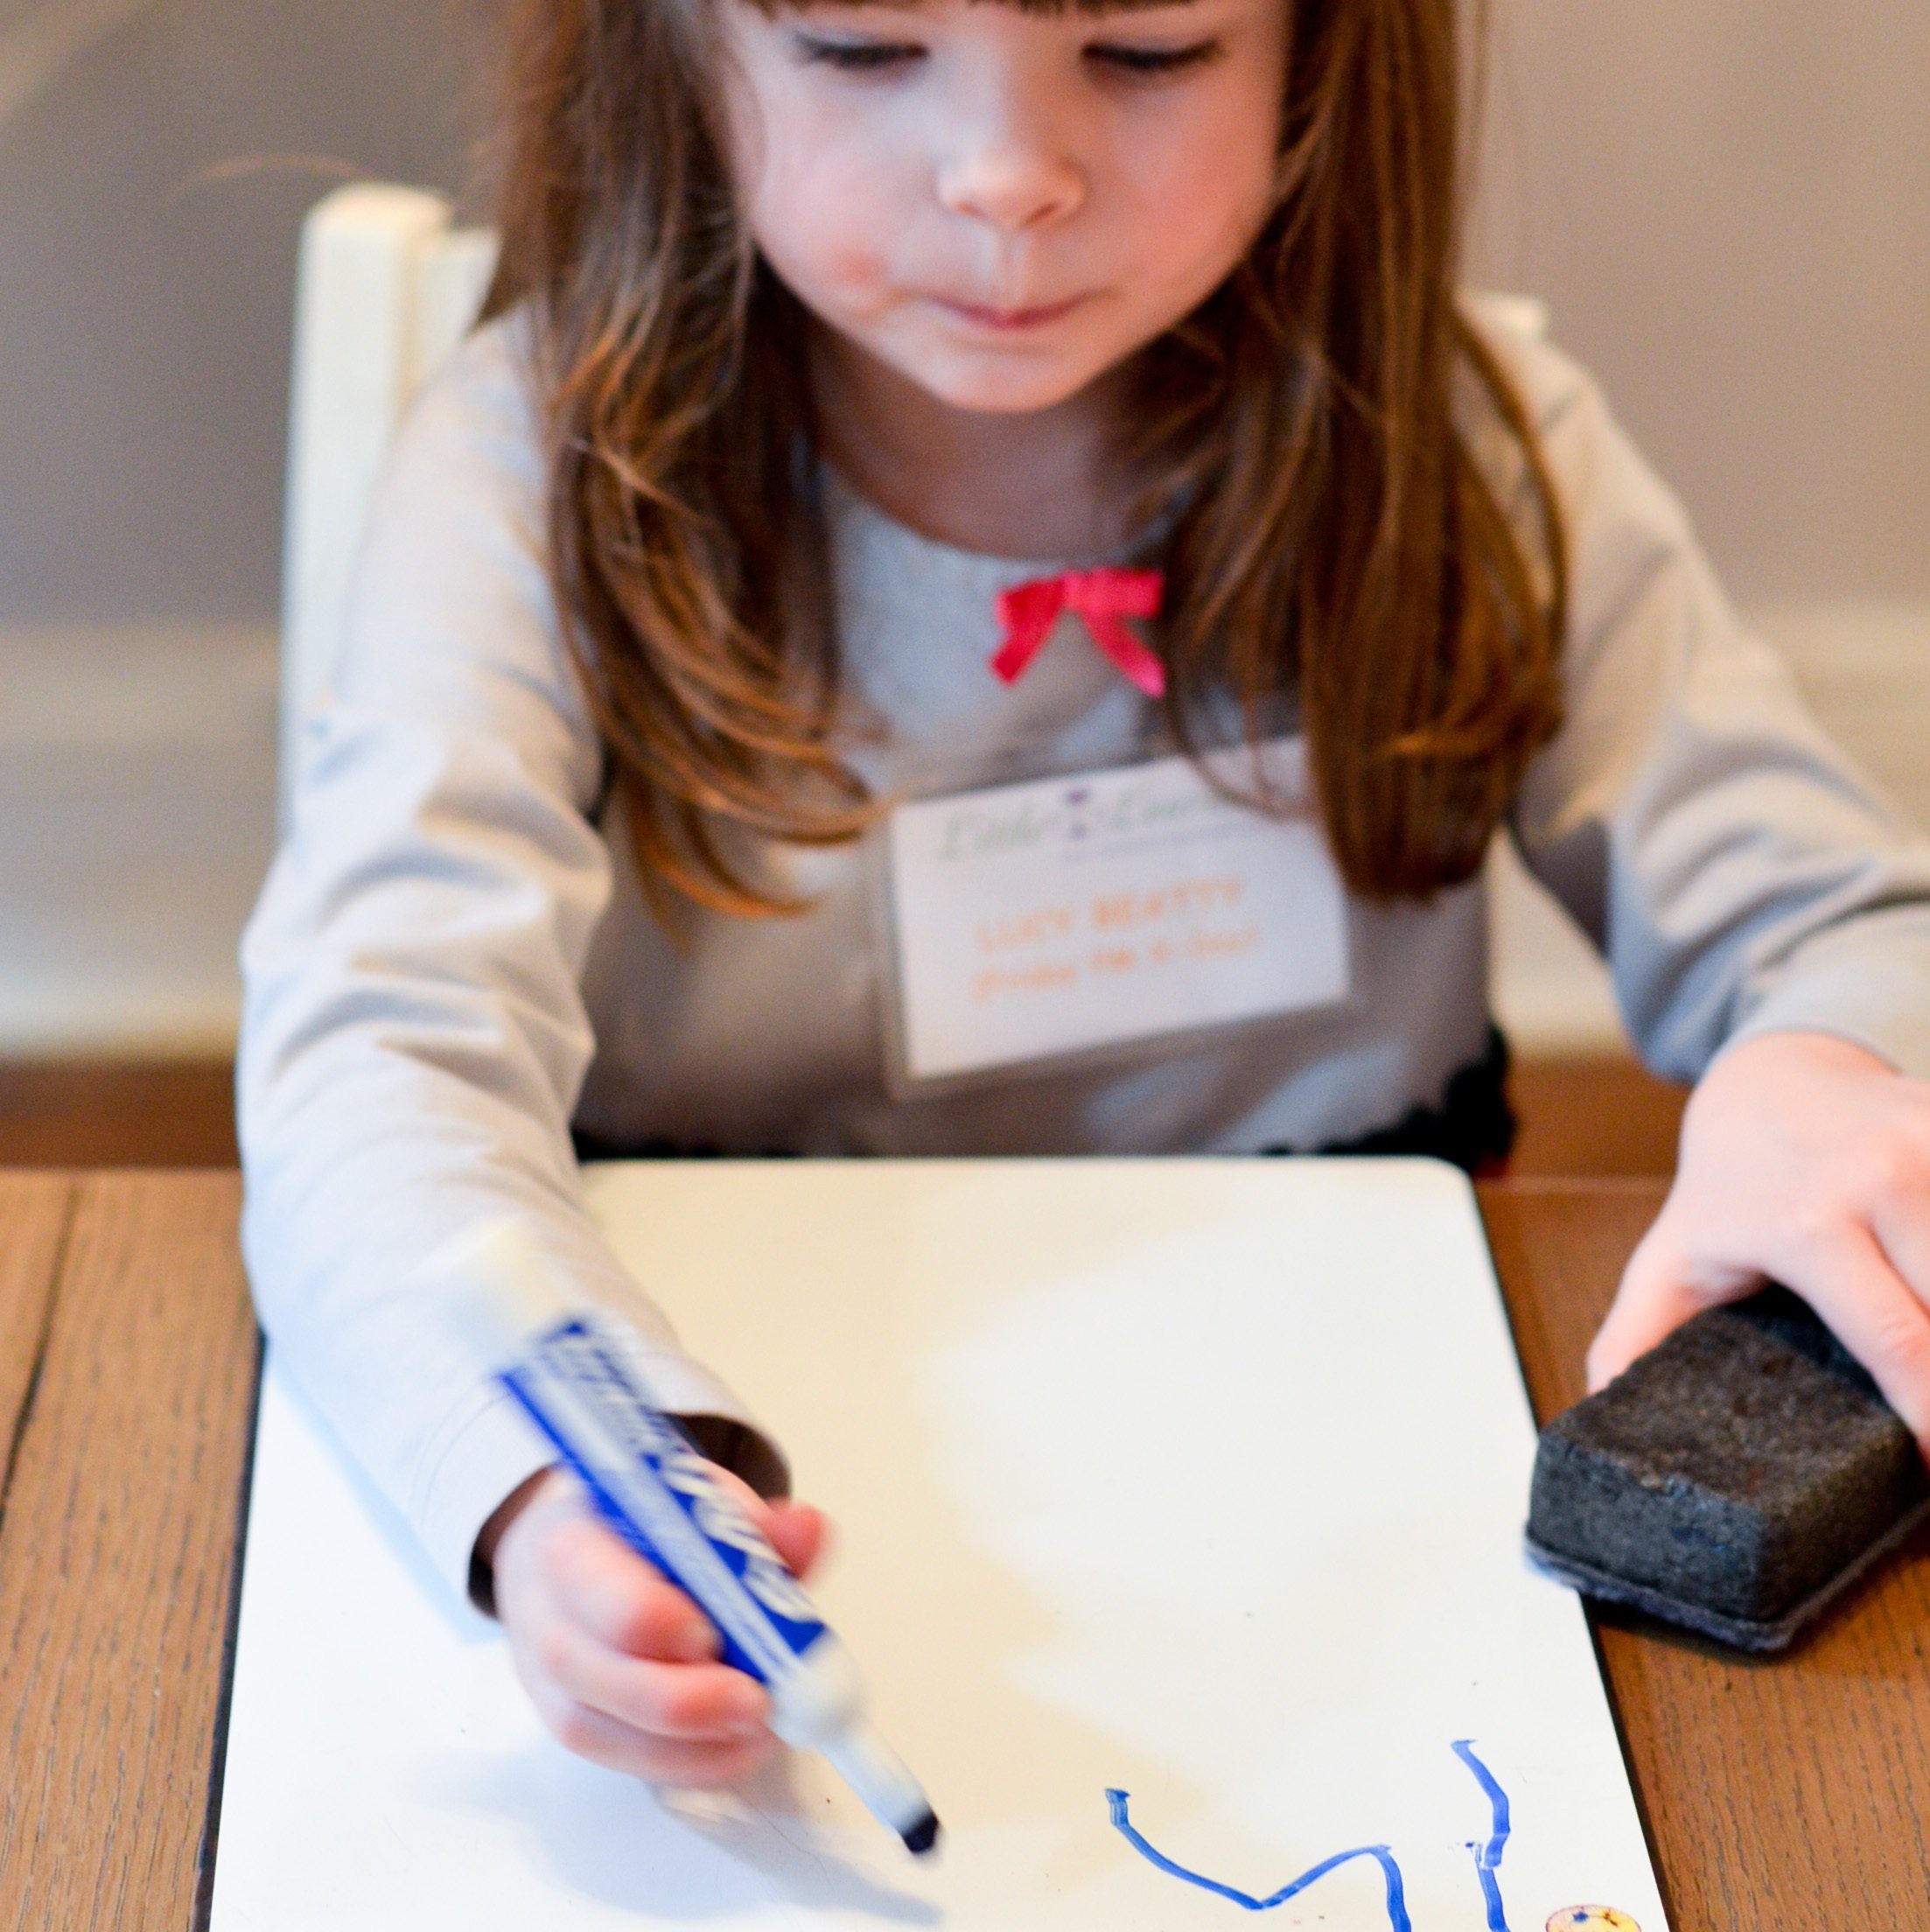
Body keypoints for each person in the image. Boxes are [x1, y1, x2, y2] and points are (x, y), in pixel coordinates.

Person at [241, 0, 1930, 1797]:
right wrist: (536, 1476)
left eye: (1141, 51)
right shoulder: (534, 473)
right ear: (662, 44)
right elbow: (373, 1060)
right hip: (760, 1414)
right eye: (855, 45)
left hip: (1360, 1498)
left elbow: (1838, 922)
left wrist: (1824, 1061)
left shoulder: (1468, 448)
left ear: (1320, 50)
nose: (1005, 178)